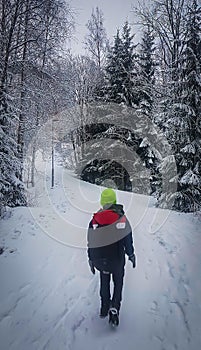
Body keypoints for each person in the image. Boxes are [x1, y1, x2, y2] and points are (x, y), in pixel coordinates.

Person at [87, 188, 136, 324]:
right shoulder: (121, 218)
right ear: (114, 201)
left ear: (102, 202)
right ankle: (115, 307)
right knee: (118, 282)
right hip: (117, 260)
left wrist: (91, 259)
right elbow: (128, 239)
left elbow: (90, 241)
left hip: (99, 260)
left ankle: (104, 307)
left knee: (104, 280)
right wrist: (131, 254)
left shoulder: (95, 220)